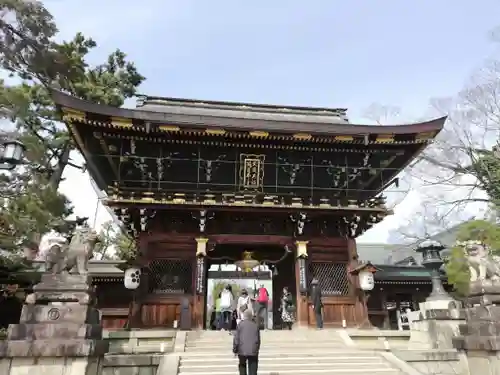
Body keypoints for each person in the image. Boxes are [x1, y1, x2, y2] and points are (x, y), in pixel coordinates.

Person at [233, 309, 260, 375]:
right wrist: (256, 349)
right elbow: (258, 340)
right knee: (253, 368)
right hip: (253, 350)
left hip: (242, 350)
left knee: (242, 366)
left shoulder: (240, 325)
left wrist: (235, 350)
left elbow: (236, 339)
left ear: (244, 316)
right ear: (251, 317)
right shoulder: (255, 326)